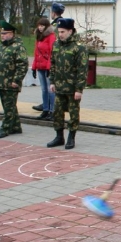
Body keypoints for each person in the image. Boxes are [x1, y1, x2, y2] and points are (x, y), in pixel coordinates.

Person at [47, 18, 87, 150]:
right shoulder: (56, 45)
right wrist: (52, 81)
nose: (60, 34)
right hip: (59, 87)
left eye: (63, 32)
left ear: (70, 31)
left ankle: (71, 137)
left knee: (73, 114)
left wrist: (79, 89)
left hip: (72, 88)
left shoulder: (79, 47)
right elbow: (53, 64)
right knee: (57, 112)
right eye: (59, 32)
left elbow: (82, 70)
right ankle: (59, 136)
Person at [0, 20, 29, 139]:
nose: (2, 36)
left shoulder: (18, 47)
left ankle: (5, 128)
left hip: (11, 83)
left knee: (9, 107)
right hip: (1, 82)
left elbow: (22, 65)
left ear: (12, 34)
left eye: (5, 33)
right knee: (9, 106)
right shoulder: (1, 47)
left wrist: (16, 80)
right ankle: (16, 127)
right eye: (1, 33)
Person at [32, 17, 56, 120]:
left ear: (46, 26)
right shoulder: (39, 36)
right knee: (43, 89)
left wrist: (49, 67)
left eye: (42, 26)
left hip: (47, 67)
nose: (40, 28)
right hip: (40, 66)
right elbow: (36, 53)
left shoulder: (51, 36)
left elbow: (52, 52)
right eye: (39, 26)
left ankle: (52, 111)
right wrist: (34, 67)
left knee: (50, 90)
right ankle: (45, 109)